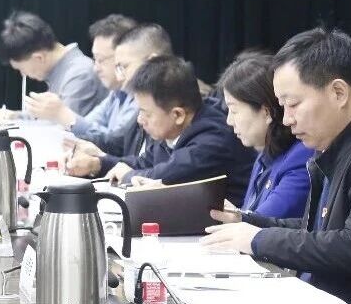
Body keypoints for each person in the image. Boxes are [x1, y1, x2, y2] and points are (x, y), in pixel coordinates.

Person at [203, 27, 351, 304]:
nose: (287, 119)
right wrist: (248, 221)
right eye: (282, 107)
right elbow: (318, 229)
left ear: (338, 93)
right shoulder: (329, 149)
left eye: (293, 104)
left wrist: (258, 239)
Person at [103, 55, 255, 203]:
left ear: (178, 115)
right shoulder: (171, 130)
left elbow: (163, 177)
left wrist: (127, 176)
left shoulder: (212, 141)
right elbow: (144, 163)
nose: (140, 120)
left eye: (146, 113)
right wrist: (101, 163)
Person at [65, 23, 174, 176]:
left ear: (153, 62)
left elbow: (168, 171)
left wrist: (127, 175)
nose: (120, 76)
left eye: (124, 67)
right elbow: (133, 154)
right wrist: (95, 159)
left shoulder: (176, 101)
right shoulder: (140, 98)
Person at [217, 51, 312, 218]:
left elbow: (264, 221)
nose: (229, 121)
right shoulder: (264, 154)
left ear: (266, 112)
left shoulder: (301, 156)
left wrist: (238, 218)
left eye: (234, 110)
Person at [25, 14, 139, 150]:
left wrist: (63, 114)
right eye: (95, 59)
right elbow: (90, 127)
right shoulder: (116, 94)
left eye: (101, 60)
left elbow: (117, 144)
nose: (96, 68)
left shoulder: (140, 97)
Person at [0, 10, 107, 118]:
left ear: (39, 58)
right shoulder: (65, 71)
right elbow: (49, 118)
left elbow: (65, 125)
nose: (23, 74)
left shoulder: (79, 75)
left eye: (21, 69)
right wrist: (15, 116)